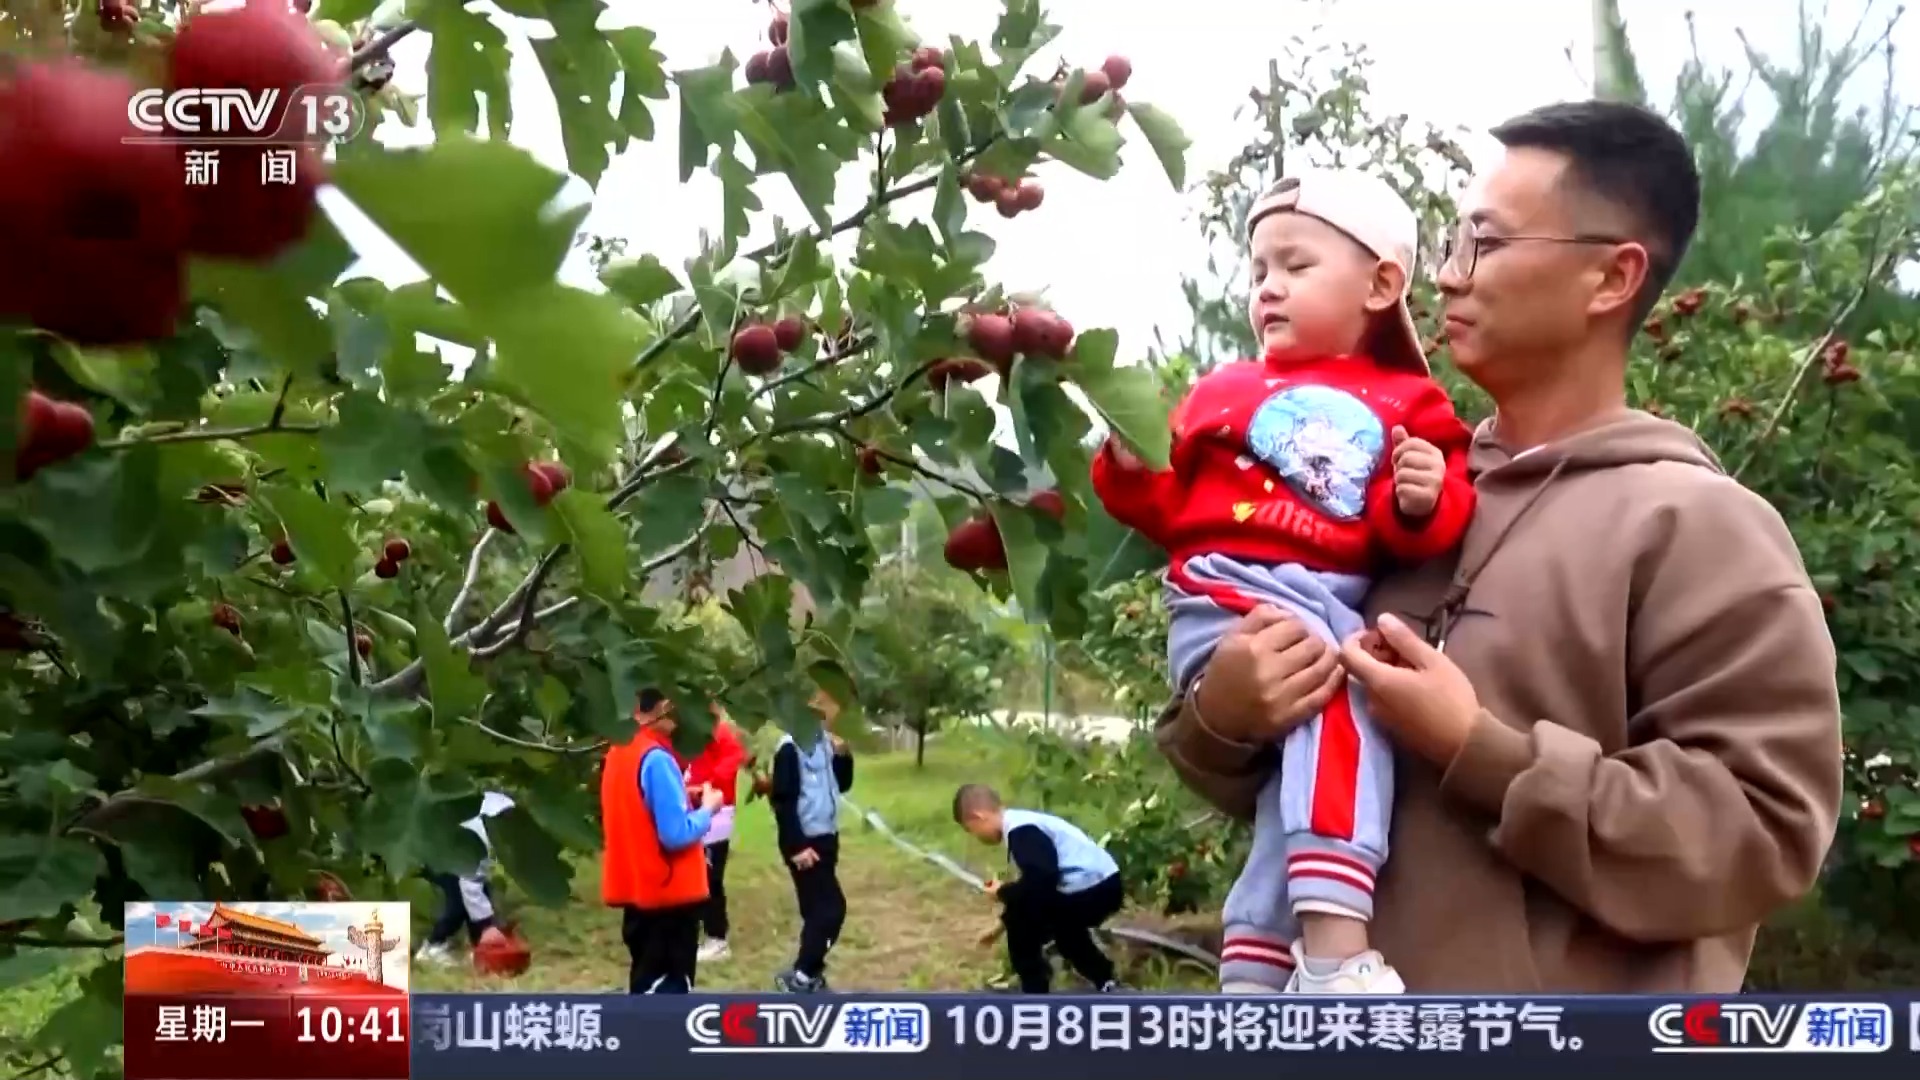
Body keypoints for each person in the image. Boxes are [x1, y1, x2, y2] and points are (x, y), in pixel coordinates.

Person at [1153, 100, 1843, 993]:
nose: (1446, 278)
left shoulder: (1698, 527)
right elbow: (1289, 772)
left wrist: (1479, 749)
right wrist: (1225, 716)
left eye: (1485, 243)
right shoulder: (1392, 494)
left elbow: (1763, 833)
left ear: (1610, 278)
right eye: (1450, 245)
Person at [1092, 168, 1476, 994]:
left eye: (1296, 267)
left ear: (1381, 284)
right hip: (1225, 588)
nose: (1268, 288)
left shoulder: (1410, 401)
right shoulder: (1222, 391)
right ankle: (1337, 952)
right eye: (1259, 269)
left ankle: (1257, 972)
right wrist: (1127, 462)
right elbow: (1166, 503)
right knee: (1348, 700)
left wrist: (1420, 499)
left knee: (1291, 781)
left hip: (1323, 597)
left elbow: (1420, 525)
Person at [600, 688, 723, 993]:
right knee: (670, 986)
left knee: (645, 977)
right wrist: (708, 809)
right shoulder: (655, 759)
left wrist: (683, 796)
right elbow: (675, 834)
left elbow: (638, 808)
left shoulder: (619, 752)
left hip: (638, 891)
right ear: (665, 707)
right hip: (669, 895)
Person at [953, 784, 1125, 994]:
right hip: (1103, 884)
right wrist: (1000, 925)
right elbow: (1037, 886)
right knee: (1063, 929)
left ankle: (1034, 991)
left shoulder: (1021, 831)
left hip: (1094, 888)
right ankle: (1106, 982)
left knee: (1024, 923)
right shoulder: (1023, 822)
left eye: (971, 830)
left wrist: (1002, 893)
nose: (977, 837)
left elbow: (1042, 880)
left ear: (978, 816)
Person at [769, 688, 854, 993]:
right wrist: (797, 846)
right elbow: (783, 802)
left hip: (827, 836)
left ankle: (811, 976)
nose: (836, 712)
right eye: (831, 705)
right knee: (831, 909)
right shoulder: (790, 748)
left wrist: (844, 757)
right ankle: (802, 975)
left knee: (815, 911)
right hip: (805, 842)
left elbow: (842, 785)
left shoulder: (826, 744)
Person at [415, 790, 514, 966]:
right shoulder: (482, 833)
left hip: (449, 854)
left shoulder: (489, 818)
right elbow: (470, 883)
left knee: (479, 898)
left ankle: (480, 949)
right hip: (437, 858)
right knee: (459, 903)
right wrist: (487, 924)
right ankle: (432, 948)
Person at [684, 701, 749, 963]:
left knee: (710, 876)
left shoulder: (719, 732)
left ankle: (717, 938)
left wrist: (707, 784)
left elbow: (734, 758)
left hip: (716, 811)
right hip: (697, 809)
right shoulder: (694, 733)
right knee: (697, 873)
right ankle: (699, 932)